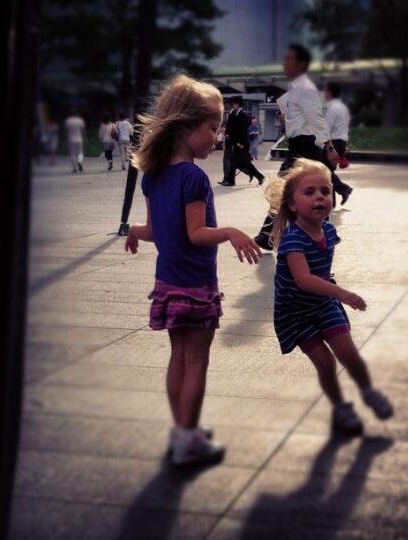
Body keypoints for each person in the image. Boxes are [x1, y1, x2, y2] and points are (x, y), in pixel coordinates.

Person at [124, 75, 262, 467]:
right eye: (213, 128)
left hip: (167, 284)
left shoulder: (153, 176)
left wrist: (135, 231)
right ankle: (188, 441)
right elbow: (197, 234)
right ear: (186, 127)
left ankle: (182, 432)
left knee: (178, 358)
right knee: (197, 361)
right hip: (196, 286)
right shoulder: (193, 177)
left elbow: (154, 230)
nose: (217, 137)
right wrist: (233, 232)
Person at [270, 158, 393, 434]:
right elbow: (303, 280)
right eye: (309, 192)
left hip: (324, 305)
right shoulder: (293, 239)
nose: (320, 197)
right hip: (295, 313)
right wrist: (342, 293)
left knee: (350, 355)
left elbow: (322, 270)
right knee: (325, 363)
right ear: (292, 204)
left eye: (325, 191)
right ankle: (340, 407)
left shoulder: (328, 229)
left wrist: (334, 294)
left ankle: (369, 392)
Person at [254, 44, 353, 251]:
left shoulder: (305, 89)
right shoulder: (295, 90)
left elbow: (317, 119)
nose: (284, 63)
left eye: (289, 59)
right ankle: (269, 234)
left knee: (284, 190)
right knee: (286, 191)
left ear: (301, 64)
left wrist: (329, 146)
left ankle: (273, 235)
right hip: (298, 145)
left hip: (305, 146)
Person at [218, 96, 265, 186]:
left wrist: (241, 143)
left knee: (243, 163)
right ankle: (232, 181)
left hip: (242, 143)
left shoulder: (243, 114)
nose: (232, 105)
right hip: (237, 142)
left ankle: (259, 177)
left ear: (237, 103)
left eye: (233, 103)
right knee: (236, 162)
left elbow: (243, 131)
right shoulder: (236, 113)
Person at [325, 82, 351, 169]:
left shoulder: (332, 108)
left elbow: (327, 130)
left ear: (329, 92)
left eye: (325, 92)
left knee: (326, 170)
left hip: (332, 143)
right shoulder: (344, 107)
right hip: (342, 143)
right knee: (330, 170)